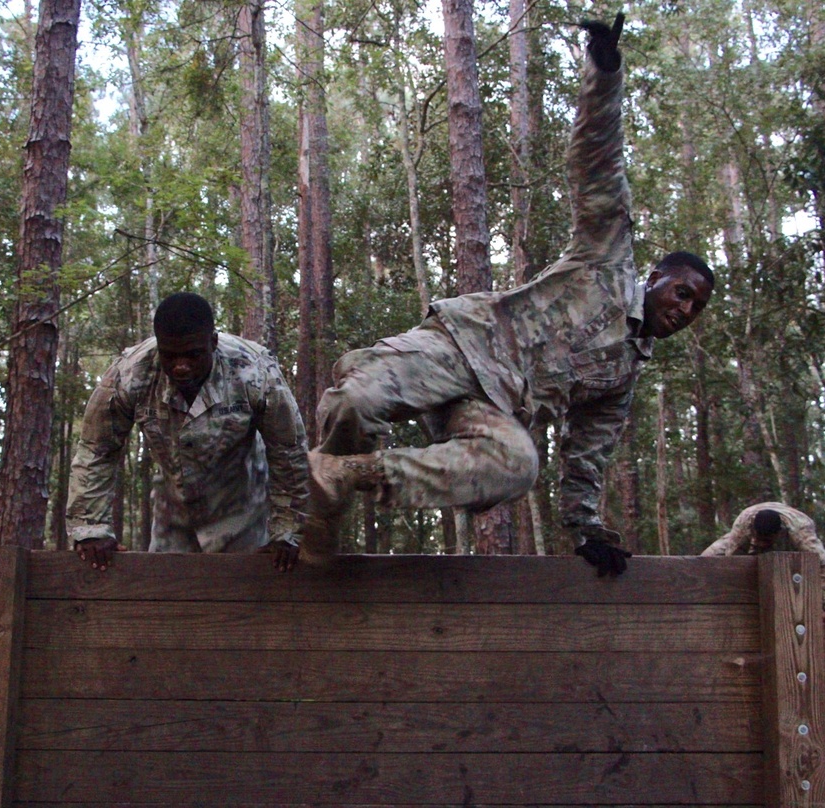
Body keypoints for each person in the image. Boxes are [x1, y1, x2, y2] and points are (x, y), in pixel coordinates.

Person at [305, 12, 714, 577]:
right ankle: (310, 505)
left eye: (695, 308)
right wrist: (606, 72)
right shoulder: (609, 259)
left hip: (491, 405)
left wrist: (586, 527)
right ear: (657, 278)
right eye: (683, 292)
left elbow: (587, 455)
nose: (685, 309)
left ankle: (347, 475)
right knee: (357, 403)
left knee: (519, 463)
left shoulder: (622, 376)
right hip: (464, 345)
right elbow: (599, 162)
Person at [66, 292, 309, 572]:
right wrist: (91, 528)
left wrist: (289, 532)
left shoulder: (255, 372)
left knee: (244, 604)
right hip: (174, 511)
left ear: (213, 343)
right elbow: (96, 449)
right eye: (170, 356)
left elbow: (289, 451)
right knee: (169, 601)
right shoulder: (130, 374)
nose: (181, 367)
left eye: (193, 355)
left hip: (245, 508)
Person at [701, 503, 825, 623]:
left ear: (777, 534)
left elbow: (824, 566)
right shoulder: (743, 524)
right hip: (750, 520)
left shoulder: (801, 530)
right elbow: (730, 560)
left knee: (815, 563)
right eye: (760, 539)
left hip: (792, 524)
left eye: (766, 540)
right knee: (706, 559)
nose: (762, 543)